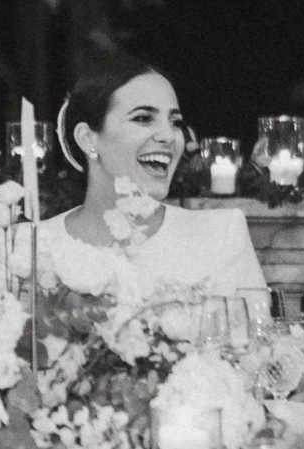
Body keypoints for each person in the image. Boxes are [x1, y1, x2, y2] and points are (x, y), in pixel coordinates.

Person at [35, 54, 267, 301]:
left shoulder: (222, 233)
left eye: (175, 122)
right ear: (87, 138)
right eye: (143, 118)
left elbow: (256, 324)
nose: (168, 136)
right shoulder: (33, 246)